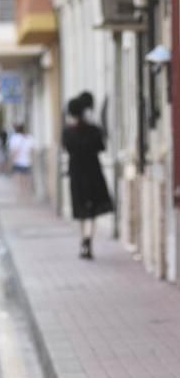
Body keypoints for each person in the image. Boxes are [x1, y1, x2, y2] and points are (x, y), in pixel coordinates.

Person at [63, 97, 112, 259]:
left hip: (77, 175)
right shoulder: (93, 130)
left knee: (81, 209)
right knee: (92, 210)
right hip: (93, 173)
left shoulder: (68, 132)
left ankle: (83, 239)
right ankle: (88, 239)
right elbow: (102, 147)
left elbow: (66, 148)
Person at [7, 123, 34, 195]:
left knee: (19, 177)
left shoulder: (15, 138)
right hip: (28, 160)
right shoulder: (29, 137)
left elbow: (14, 151)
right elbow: (32, 150)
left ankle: (21, 192)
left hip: (18, 161)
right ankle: (27, 191)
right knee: (27, 177)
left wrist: (11, 161)